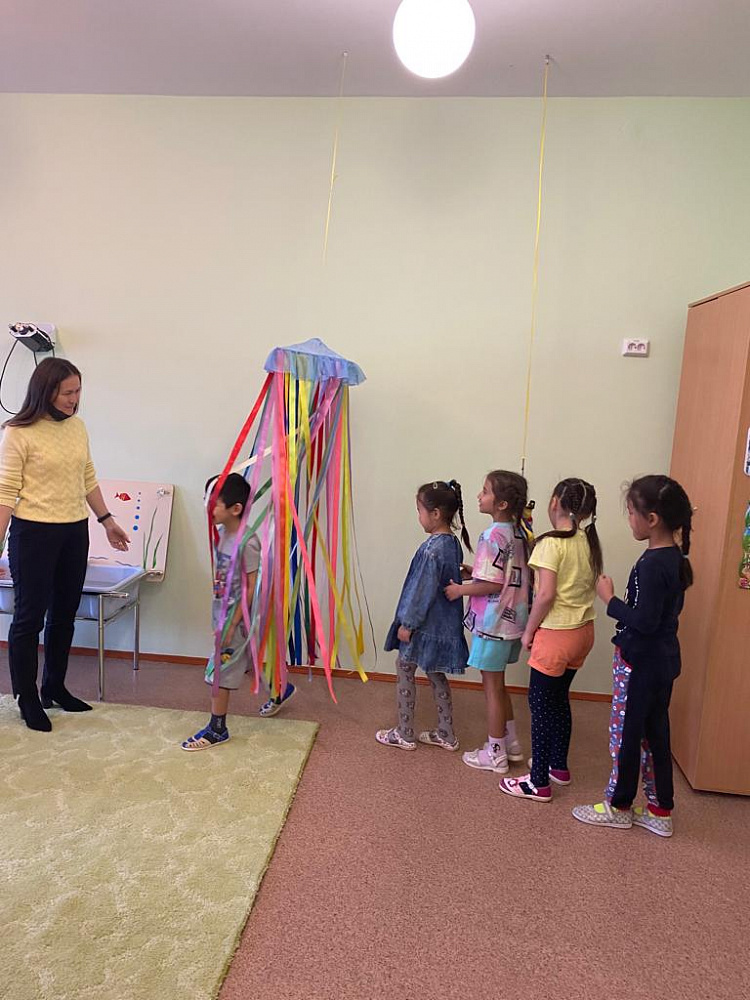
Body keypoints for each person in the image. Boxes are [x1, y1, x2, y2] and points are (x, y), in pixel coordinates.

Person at [0, 358, 130, 732]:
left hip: (74, 531)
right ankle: (26, 697)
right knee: (29, 618)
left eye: (78, 391)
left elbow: (87, 476)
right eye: (67, 392)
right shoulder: (18, 433)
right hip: (33, 534)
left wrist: (107, 520)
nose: (74, 399)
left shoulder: (77, 427)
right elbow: (5, 492)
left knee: (64, 613)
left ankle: (54, 687)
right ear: (46, 392)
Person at [572, 476, 693, 838]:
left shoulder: (654, 564)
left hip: (641, 663)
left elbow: (645, 621)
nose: (629, 520)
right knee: (655, 734)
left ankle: (619, 805)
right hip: (661, 661)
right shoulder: (671, 557)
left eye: (630, 513)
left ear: (651, 519)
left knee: (626, 734)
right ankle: (660, 810)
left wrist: (609, 599)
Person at [499, 478, 602, 803]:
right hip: (583, 633)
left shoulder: (551, 544)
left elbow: (545, 595)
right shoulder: (588, 541)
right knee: (558, 699)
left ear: (555, 502)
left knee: (540, 707)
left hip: (556, 635)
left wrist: (529, 631)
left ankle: (538, 782)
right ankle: (558, 766)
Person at [444, 470, 529, 775]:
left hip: (494, 625)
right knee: (499, 684)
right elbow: (503, 575)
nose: (479, 496)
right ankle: (511, 743)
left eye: (485, 491)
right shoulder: (518, 532)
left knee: (491, 687)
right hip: (513, 622)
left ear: (502, 503)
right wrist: (474, 572)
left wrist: (460, 590)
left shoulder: (492, 535)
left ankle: (495, 753)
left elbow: (492, 585)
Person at [376, 480, 470, 751]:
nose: (418, 516)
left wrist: (408, 624)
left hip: (424, 627)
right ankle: (446, 734)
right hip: (442, 627)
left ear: (436, 513)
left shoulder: (431, 549)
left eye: (420, 510)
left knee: (404, 667)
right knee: (435, 672)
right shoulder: (451, 543)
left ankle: (404, 733)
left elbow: (422, 590)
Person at [182, 473, 261, 750]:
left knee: (219, 672)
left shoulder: (248, 541)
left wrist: (233, 623)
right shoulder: (223, 534)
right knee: (245, 662)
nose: (207, 506)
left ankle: (217, 729)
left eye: (213, 502)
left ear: (235, 508)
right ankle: (280, 689)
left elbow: (250, 588)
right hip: (223, 613)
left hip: (236, 620)